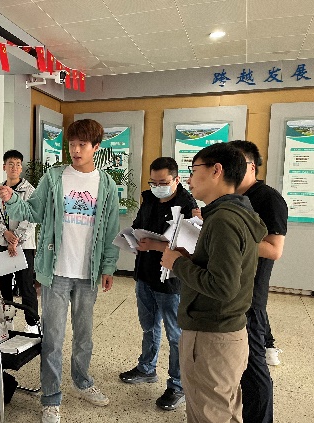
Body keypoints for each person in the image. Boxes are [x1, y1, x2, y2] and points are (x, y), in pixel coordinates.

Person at [0, 119, 120, 423]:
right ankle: (51, 398)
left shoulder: (106, 185)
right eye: (72, 144)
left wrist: (108, 267)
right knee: (52, 337)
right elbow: (34, 211)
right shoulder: (54, 178)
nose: (75, 150)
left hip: (88, 273)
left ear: (96, 147)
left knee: (84, 335)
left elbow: (111, 230)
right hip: (57, 271)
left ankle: (83, 381)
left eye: (82, 144)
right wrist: (13, 201)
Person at [161, 143, 267, 423]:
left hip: (211, 336)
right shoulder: (235, 213)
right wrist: (191, 259)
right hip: (225, 331)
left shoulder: (223, 220)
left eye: (193, 170)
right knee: (225, 411)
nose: (189, 179)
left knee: (209, 414)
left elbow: (223, 286)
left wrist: (177, 263)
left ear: (216, 170)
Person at [118, 157, 196, 411]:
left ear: (176, 179)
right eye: (153, 182)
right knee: (148, 326)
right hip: (145, 274)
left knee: (176, 335)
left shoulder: (188, 206)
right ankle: (146, 368)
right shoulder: (149, 199)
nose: (157, 187)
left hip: (171, 280)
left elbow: (189, 247)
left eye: (163, 183)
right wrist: (132, 239)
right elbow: (138, 226)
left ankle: (177, 385)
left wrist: (154, 245)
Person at [231, 140, 288, 423]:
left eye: (237, 163)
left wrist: (228, 237)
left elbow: (274, 249)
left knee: (253, 367)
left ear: (252, 166)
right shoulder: (230, 196)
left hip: (251, 295)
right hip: (229, 289)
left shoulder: (268, 198)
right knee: (236, 366)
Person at [0, 149, 38, 333]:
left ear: (21, 168)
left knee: (26, 286)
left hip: (24, 246)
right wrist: (5, 234)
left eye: (18, 164)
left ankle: (32, 324)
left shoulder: (30, 191)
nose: (14, 168)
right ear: (4, 167)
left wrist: (15, 239)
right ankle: (7, 321)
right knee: (4, 285)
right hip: (1, 244)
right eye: (11, 164)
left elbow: (32, 216)